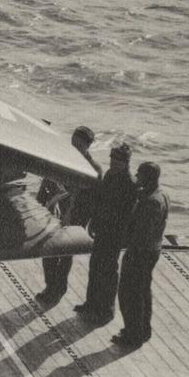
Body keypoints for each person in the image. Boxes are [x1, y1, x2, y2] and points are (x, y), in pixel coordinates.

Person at [37, 126, 101, 304]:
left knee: (65, 254)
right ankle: (50, 286)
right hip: (55, 208)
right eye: (73, 143)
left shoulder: (94, 169)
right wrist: (40, 203)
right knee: (48, 249)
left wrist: (84, 221)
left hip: (77, 215)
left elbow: (94, 199)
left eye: (78, 145)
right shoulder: (62, 158)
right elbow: (48, 181)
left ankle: (59, 288)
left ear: (87, 146)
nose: (74, 148)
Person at [78, 141, 137, 321]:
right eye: (112, 159)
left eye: (117, 160)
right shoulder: (111, 175)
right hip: (103, 228)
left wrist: (121, 236)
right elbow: (100, 199)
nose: (113, 162)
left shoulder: (130, 184)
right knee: (95, 265)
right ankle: (91, 302)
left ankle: (107, 308)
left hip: (115, 233)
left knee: (109, 270)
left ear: (125, 162)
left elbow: (128, 214)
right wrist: (94, 221)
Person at [112, 161, 168, 350]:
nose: (137, 177)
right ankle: (143, 330)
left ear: (147, 177)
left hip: (140, 252)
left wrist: (124, 242)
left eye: (140, 175)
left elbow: (139, 231)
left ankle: (132, 334)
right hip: (153, 250)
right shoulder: (161, 195)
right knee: (143, 291)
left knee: (129, 293)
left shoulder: (150, 202)